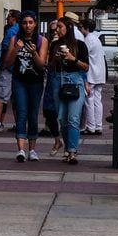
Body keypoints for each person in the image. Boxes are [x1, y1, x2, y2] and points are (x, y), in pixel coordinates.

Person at [4, 10, 48, 162]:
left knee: (33, 114)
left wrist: (34, 53)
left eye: (30, 22)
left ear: (35, 24)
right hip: (19, 81)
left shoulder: (42, 40)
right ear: (20, 24)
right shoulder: (15, 39)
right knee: (21, 113)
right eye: (24, 22)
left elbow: (42, 65)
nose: (28, 26)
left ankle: (33, 150)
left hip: (35, 82)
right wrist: (16, 48)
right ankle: (21, 150)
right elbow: (7, 63)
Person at [52, 18, 89, 164]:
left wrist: (72, 58)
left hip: (75, 81)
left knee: (73, 118)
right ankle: (67, 149)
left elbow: (86, 67)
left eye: (60, 27)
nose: (57, 30)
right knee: (62, 119)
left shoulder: (79, 45)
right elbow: (50, 66)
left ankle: (73, 151)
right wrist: (56, 59)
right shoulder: (54, 45)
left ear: (68, 27)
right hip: (59, 80)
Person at [0, 9, 20, 130]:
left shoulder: (11, 31)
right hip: (19, 69)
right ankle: (19, 124)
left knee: (1, 96)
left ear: (14, 18)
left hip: (8, 68)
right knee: (17, 97)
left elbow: (5, 49)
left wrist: (2, 66)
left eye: (9, 17)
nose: (7, 19)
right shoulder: (21, 30)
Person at [79, 18, 106, 135]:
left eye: (81, 27)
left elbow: (83, 55)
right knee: (97, 100)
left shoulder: (88, 40)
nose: (80, 29)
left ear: (86, 28)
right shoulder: (96, 39)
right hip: (100, 73)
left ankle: (90, 127)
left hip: (91, 74)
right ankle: (98, 126)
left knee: (89, 100)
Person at [42, 18, 64, 155]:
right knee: (49, 111)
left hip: (65, 80)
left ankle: (70, 147)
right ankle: (57, 139)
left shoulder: (71, 43)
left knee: (64, 113)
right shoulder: (51, 44)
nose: (55, 32)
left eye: (57, 28)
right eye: (52, 30)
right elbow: (48, 64)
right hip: (52, 79)